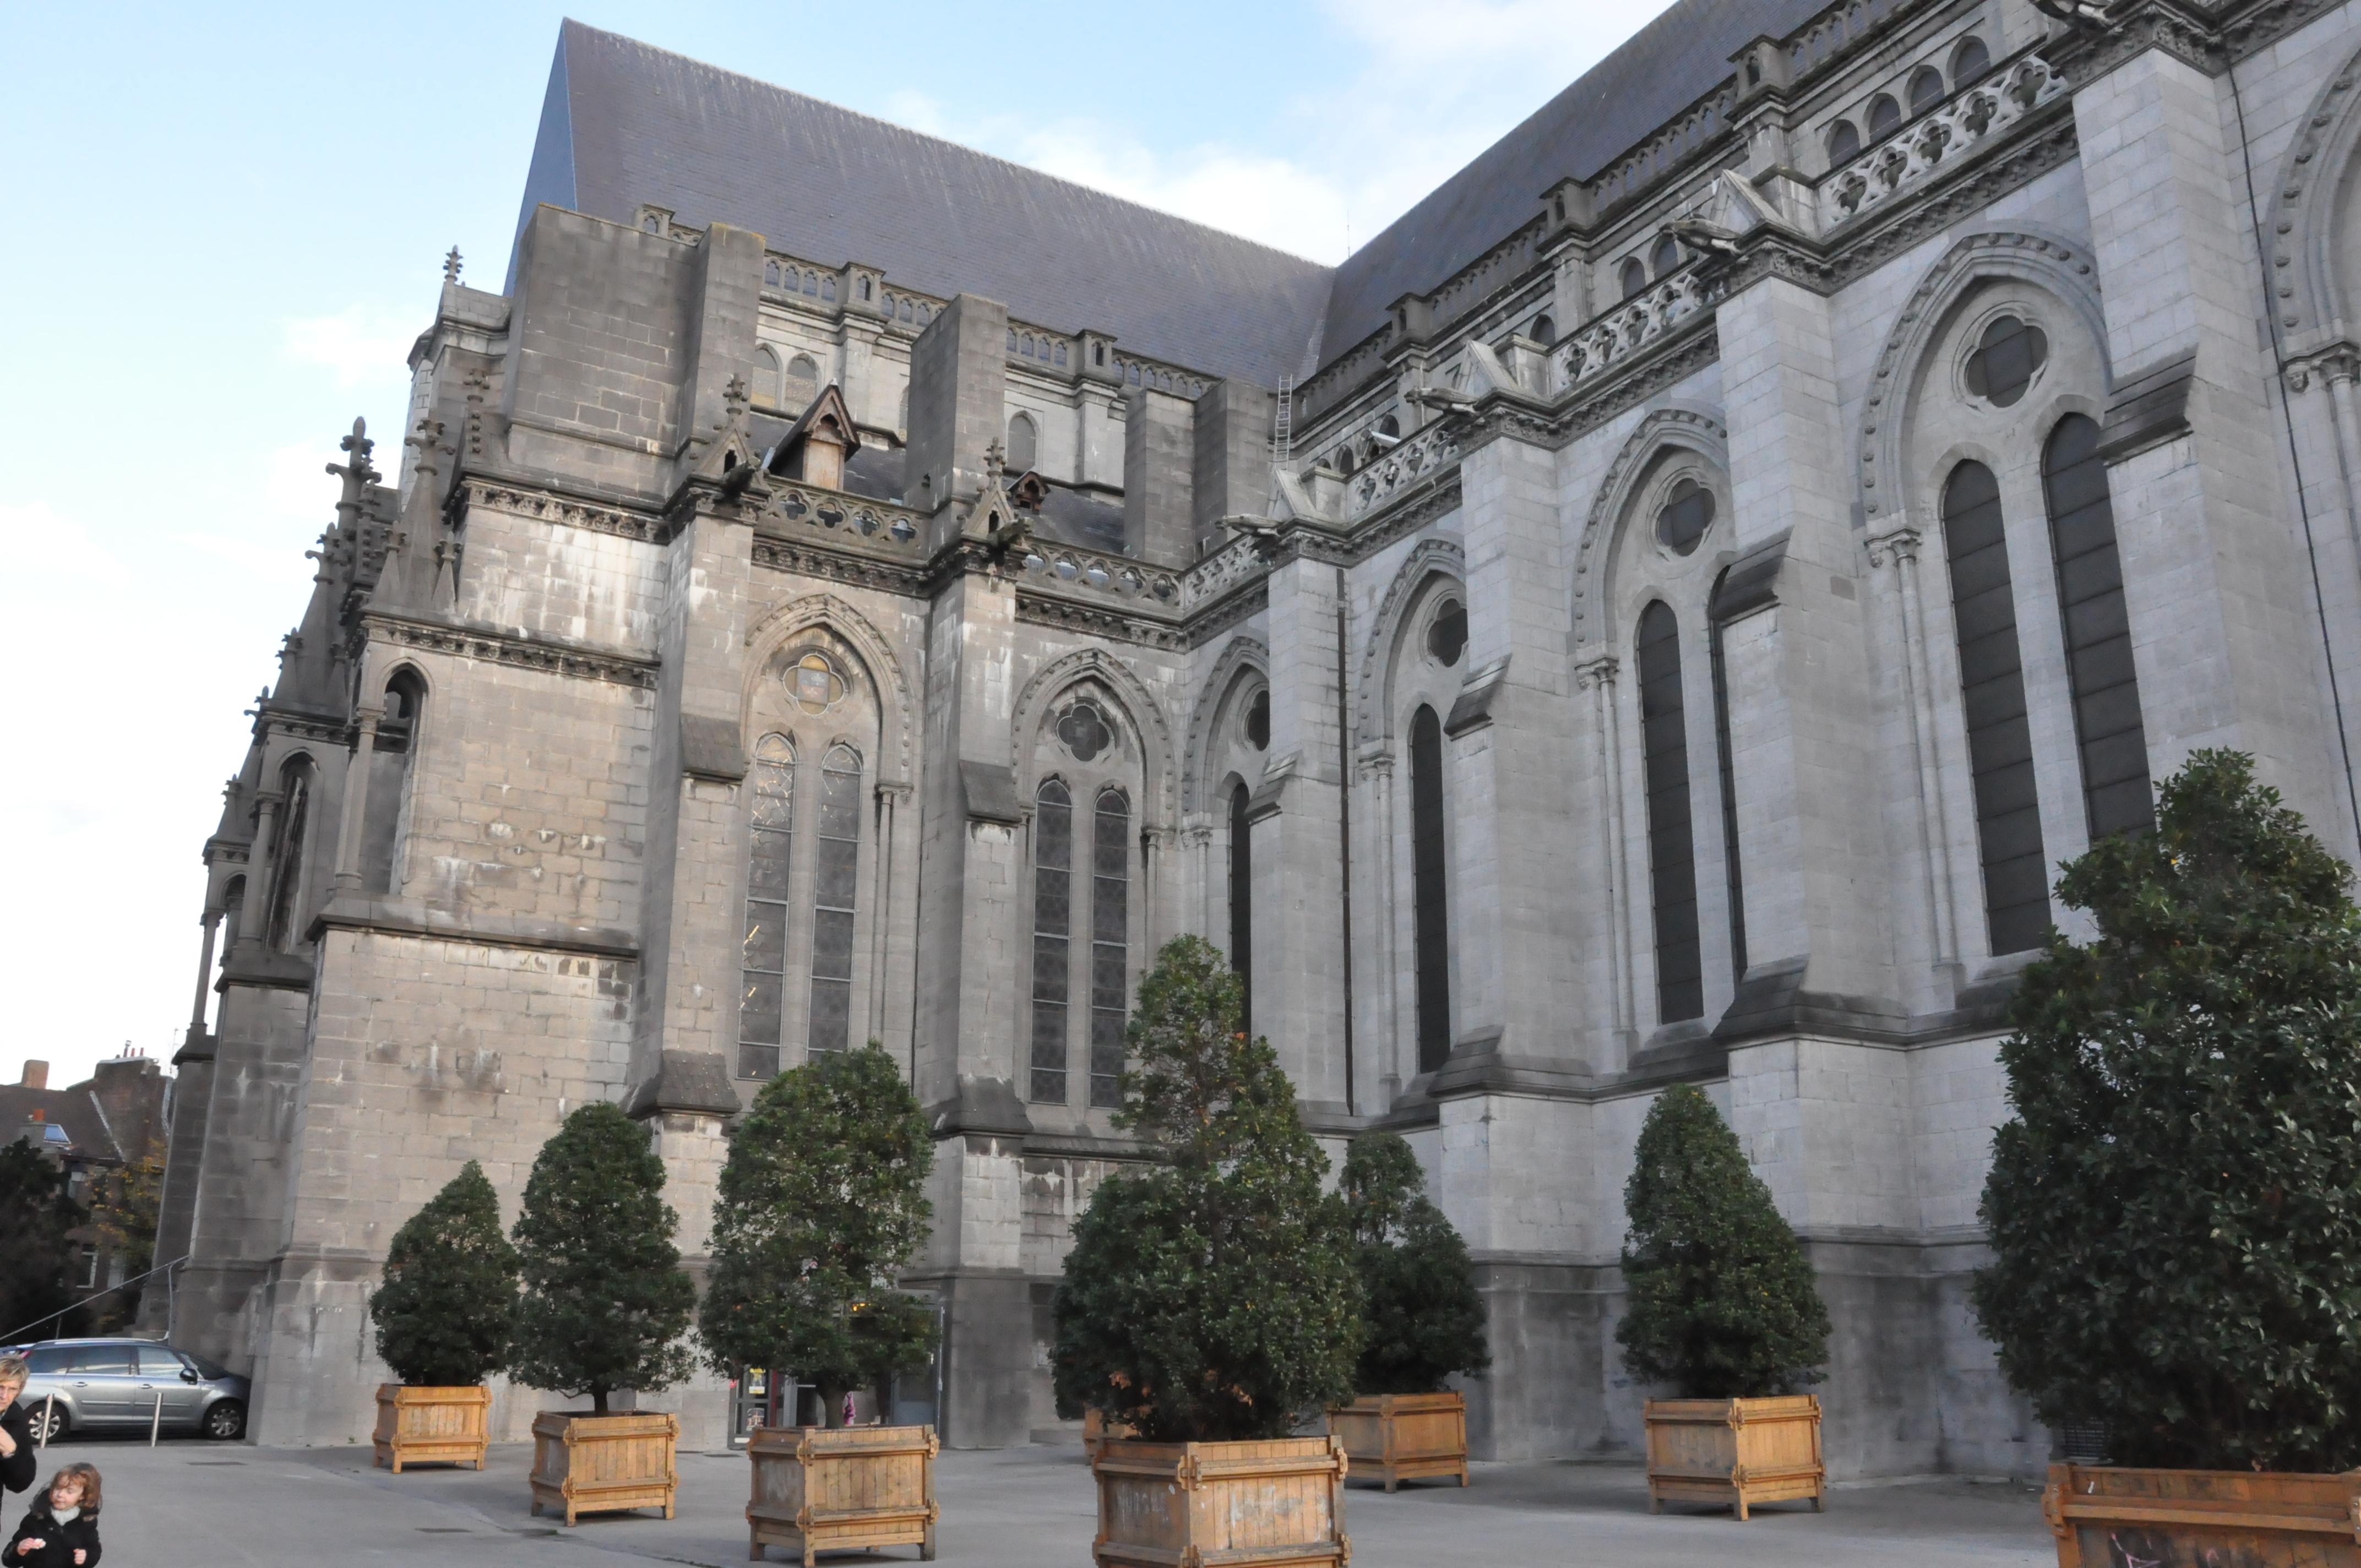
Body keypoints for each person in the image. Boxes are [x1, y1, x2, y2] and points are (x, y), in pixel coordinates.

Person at [5, 1464, 99, 1568]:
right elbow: (8, 1558)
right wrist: (18, 1550)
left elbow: (94, 1550)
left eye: (69, 1491)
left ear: (82, 1496)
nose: (60, 1495)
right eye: (58, 1488)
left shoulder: (85, 1521)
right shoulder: (37, 1517)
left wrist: (86, 1557)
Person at [0, 1362, 35, 1496]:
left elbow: (20, 1484)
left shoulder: (16, 1421)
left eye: (12, 1389)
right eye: (0, 1387)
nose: (4, 1396)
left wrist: (10, 1452)